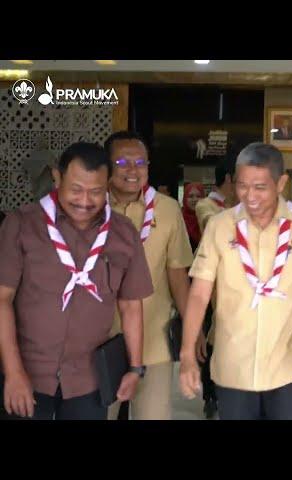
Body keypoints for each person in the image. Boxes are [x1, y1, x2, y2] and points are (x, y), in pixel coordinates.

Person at [179, 142, 292, 420]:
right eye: (242, 185)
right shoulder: (221, 226)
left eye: (260, 187)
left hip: (287, 368)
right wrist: (186, 354)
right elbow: (199, 293)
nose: (249, 196)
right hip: (233, 366)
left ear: (281, 183)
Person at [0, 142, 153, 420]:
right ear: (57, 179)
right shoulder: (22, 225)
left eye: (95, 192)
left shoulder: (123, 233)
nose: (85, 201)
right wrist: (13, 372)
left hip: (88, 380)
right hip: (27, 373)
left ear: (107, 185)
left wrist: (135, 368)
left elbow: (131, 306)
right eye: (76, 190)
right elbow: (2, 299)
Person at [105, 131, 194, 420]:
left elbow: (178, 274)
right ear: (107, 167)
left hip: (153, 341)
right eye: (122, 161)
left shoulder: (167, 210)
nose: (133, 170)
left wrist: (193, 331)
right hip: (98, 342)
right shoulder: (92, 206)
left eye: (140, 162)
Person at [193, 165, 236, 419]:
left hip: (237, 281)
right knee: (212, 340)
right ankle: (210, 394)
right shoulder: (206, 205)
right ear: (229, 179)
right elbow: (213, 227)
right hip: (211, 283)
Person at [182, 182, 206, 252]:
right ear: (185, 198)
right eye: (190, 196)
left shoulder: (208, 219)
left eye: (198, 196)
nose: (195, 200)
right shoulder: (180, 220)